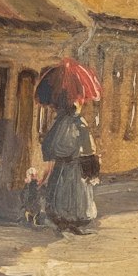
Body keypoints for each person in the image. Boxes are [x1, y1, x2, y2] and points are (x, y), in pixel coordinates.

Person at [41, 95, 97, 234]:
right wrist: (89, 156)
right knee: (73, 193)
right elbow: (88, 145)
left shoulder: (60, 123)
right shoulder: (78, 122)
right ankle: (71, 222)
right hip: (73, 165)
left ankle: (64, 221)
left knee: (61, 192)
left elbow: (49, 144)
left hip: (64, 165)